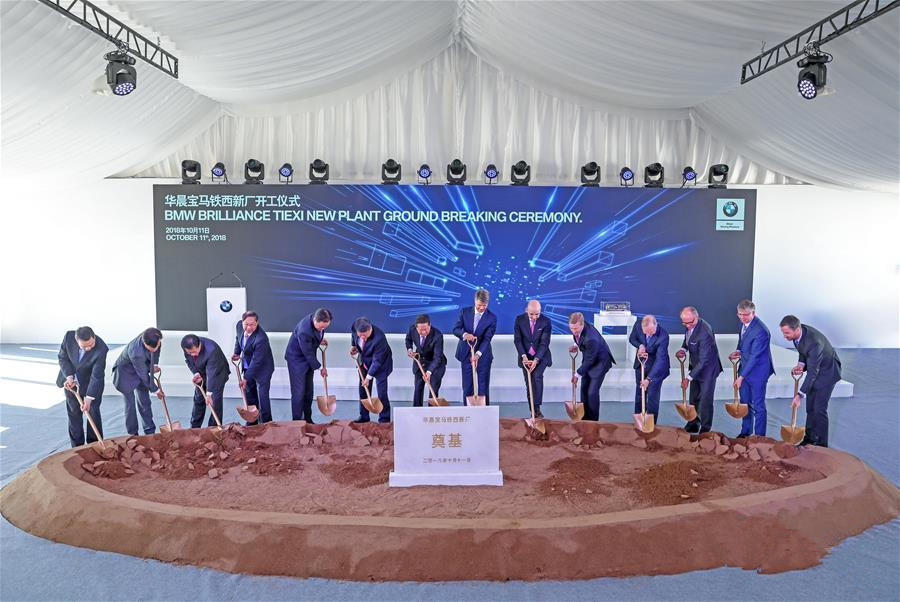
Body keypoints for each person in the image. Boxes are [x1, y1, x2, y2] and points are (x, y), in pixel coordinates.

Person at [780, 315, 842, 447]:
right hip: (816, 369)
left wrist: (799, 395)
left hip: (827, 373)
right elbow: (803, 351)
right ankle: (809, 439)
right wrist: (800, 365)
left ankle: (822, 445)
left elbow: (813, 372)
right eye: (783, 333)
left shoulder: (814, 342)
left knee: (819, 409)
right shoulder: (798, 335)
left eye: (787, 333)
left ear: (797, 329)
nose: (784, 336)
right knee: (810, 408)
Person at [56, 326, 109, 447]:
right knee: (74, 414)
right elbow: (63, 358)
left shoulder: (101, 349)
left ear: (93, 337)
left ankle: (94, 444)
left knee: (93, 413)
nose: (88, 348)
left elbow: (97, 376)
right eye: (84, 347)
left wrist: (89, 399)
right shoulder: (68, 337)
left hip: (91, 384)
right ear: (76, 341)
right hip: (72, 384)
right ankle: (77, 447)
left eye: (91, 344)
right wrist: (69, 376)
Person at [729, 300, 775, 438]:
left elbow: (755, 356)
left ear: (753, 313)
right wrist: (738, 350)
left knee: (758, 405)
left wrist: (741, 377)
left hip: (758, 372)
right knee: (745, 403)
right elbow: (743, 341)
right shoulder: (743, 323)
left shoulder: (761, 331)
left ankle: (759, 437)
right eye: (740, 314)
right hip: (746, 368)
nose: (743, 317)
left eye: (746, 315)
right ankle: (746, 432)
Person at [675, 306, 723, 434]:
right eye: (684, 323)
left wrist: (688, 378)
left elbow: (704, 361)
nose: (687, 326)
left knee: (705, 401)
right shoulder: (689, 324)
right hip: (696, 367)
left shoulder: (705, 332)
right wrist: (683, 349)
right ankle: (693, 424)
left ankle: (705, 430)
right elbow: (688, 339)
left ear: (696, 317)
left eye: (690, 323)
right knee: (694, 398)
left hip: (708, 370)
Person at [112, 327, 163, 436]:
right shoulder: (136, 352)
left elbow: (156, 351)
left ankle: (150, 432)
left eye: (157, 346)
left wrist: (154, 364)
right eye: (150, 349)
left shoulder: (155, 337)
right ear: (144, 343)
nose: (154, 350)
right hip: (124, 375)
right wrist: (156, 390)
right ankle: (133, 435)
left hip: (140, 370)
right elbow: (143, 374)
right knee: (130, 406)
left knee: (145, 402)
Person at [284, 308, 331, 423]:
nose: (322, 329)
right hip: (297, 361)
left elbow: (313, 336)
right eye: (321, 327)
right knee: (298, 393)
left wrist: (319, 339)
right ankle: (297, 422)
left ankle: (308, 419)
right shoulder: (304, 331)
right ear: (315, 320)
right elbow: (308, 352)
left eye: (324, 328)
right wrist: (320, 368)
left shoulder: (316, 319)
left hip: (308, 360)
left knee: (309, 392)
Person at [452, 289, 497, 405]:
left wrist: (478, 354)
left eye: (484, 306)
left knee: (483, 386)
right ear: (475, 301)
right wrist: (465, 335)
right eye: (479, 305)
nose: (481, 308)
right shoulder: (464, 312)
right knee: (467, 386)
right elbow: (456, 329)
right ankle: (468, 412)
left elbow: (487, 338)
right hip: (466, 353)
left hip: (483, 355)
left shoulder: (492, 318)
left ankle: (484, 412)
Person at [568, 312, 615, 421]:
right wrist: (576, 345)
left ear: (582, 324)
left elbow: (590, 360)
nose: (574, 331)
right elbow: (580, 338)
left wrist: (577, 374)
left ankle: (593, 421)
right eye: (571, 329)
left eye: (576, 328)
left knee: (592, 392)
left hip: (600, 363)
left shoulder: (591, 338)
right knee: (584, 389)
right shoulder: (580, 327)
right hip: (590, 358)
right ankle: (584, 417)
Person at [232, 311, 275, 424]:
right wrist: (236, 352)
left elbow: (256, 361)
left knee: (262, 398)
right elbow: (238, 338)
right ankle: (252, 421)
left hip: (262, 369)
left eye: (252, 325)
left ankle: (266, 423)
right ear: (242, 322)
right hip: (247, 366)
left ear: (257, 323)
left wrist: (245, 378)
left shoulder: (261, 339)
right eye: (246, 324)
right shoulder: (239, 326)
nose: (249, 327)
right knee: (250, 394)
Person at [181, 334, 230, 428]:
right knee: (198, 400)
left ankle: (214, 428)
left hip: (217, 374)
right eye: (190, 353)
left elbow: (212, 373)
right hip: (202, 373)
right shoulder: (187, 348)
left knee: (215, 402)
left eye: (194, 352)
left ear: (199, 344)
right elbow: (189, 361)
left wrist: (209, 394)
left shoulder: (211, 350)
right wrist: (196, 373)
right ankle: (194, 427)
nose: (193, 354)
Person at [513, 299, 552, 418]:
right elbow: (518, 340)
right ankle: (533, 411)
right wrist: (524, 356)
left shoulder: (546, 321)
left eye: (537, 314)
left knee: (536, 377)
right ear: (527, 311)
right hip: (525, 356)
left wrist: (536, 360)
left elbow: (544, 343)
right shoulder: (519, 320)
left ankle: (537, 409)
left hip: (541, 356)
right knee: (529, 382)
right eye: (531, 314)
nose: (534, 317)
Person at [628, 315, 669, 425]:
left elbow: (660, 360)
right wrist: (640, 345)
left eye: (651, 332)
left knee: (652, 397)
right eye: (646, 332)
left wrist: (649, 379)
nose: (648, 335)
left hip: (657, 368)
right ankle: (638, 423)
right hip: (641, 364)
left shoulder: (663, 336)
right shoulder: (638, 325)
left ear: (656, 325)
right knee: (639, 394)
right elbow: (632, 339)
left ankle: (651, 425)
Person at [351, 317, 393, 423]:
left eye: (365, 335)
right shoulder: (355, 327)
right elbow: (353, 335)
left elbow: (377, 361)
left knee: (382, 393)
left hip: (381, 365)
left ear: (370, 329)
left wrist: (368, 378)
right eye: (360, 335)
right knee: (363, 391)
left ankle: (384, 419)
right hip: (364, 363)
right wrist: (353, 346)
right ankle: (364, 417)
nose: (363, 338)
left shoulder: (380, 338)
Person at [404, 314, 447, 407]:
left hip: (435, 364)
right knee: (418, 388)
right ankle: (416, 411)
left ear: (430, 325)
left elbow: (437, 357)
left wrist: (429, 372)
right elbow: (408, 339)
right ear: (416, 328)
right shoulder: (412, 329)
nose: (423, 332)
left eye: (426, 329)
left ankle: (431, 412)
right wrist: (410, 349)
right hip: (420, 361)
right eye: (421, 330)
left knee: (433, 388)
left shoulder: (438, 335)